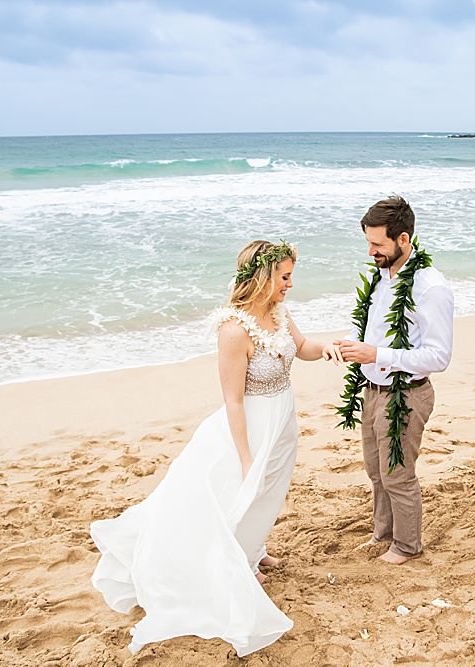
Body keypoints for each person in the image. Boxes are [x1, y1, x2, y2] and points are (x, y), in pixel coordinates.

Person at [90, 240, 341, 657]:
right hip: (247, 428)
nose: (290, 285)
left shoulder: (279, 313)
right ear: (262, 277)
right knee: (239, 491)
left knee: (271, 491)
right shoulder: (233, 331)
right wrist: (244, 456)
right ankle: (233, 562)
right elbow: (234, 400)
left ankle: (252, 549)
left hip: (282, 420)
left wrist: (329, 347)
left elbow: (302, 348)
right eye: (284, 277)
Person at [335, 196, 454, 565]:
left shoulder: (429, 287)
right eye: (368, 242)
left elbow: (439, 357)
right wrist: (357, 350)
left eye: (377, 244)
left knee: (398, 476)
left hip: (406, 394)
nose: (370, 251)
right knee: (376, 471)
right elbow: (379, 334)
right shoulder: (383, 274)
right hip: (372, 390)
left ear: (403, 239)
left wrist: (377, 356)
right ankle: (384, 533)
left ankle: (408, 545)